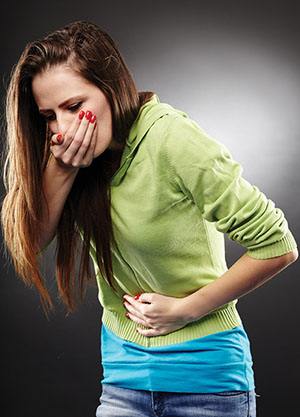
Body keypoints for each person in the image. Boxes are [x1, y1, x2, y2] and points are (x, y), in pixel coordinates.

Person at [1, 20, 298, 417]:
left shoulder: (171, 138)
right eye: (49, 116)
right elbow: (33, 242)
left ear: (111, 88)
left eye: (74, 107)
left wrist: (186, 309)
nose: (63, 129)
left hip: (207, 385)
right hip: (123, 381)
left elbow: (278, 246)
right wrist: (65, 170)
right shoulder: (65, 157)